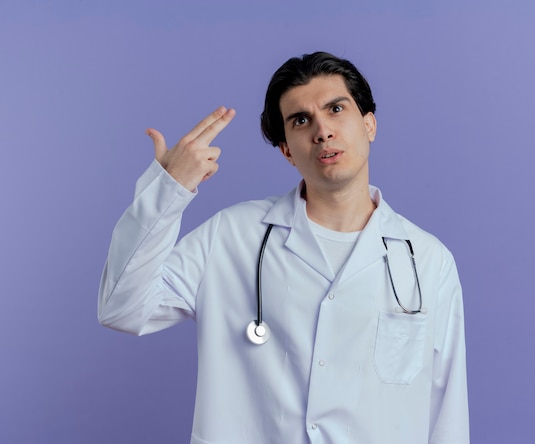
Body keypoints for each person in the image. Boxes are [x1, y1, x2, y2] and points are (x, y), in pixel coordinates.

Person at [98, 51, 469, 444]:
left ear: (369, 124)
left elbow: (445, 410)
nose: (322, 131)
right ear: (287, 150)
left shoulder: (426, 259)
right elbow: (122, 308)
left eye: (336, 109)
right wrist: (168, 191)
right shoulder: (232, 235)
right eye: (301, 120)